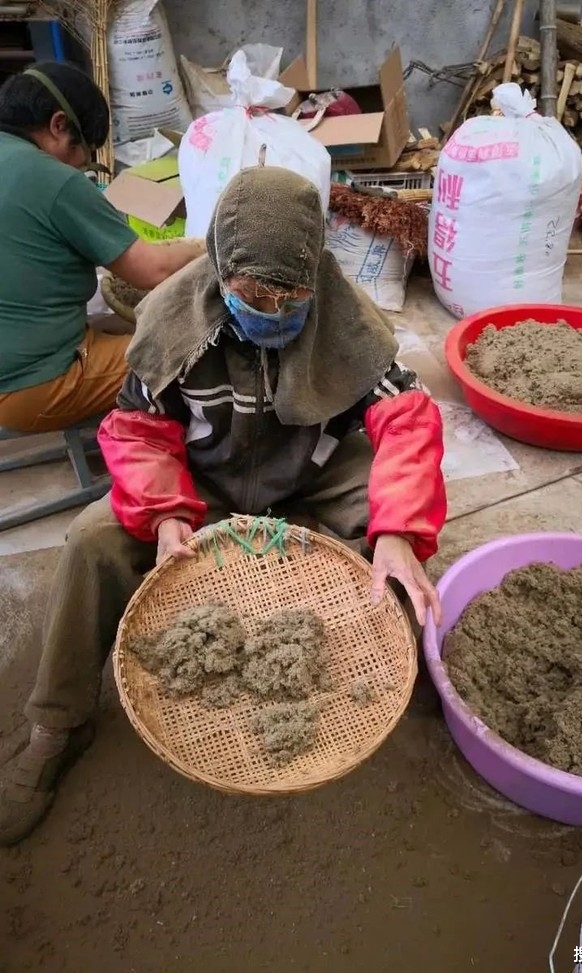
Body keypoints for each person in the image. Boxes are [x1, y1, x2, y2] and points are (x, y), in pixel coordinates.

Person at [0, 166, 448, 845]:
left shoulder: (347, 318)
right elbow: (136, 430)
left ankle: (407, 670)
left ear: (316, 276)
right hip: (206, 478)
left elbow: (408, 419)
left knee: (400, 538)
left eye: (290, 296)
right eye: (252, 295)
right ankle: (57, 722)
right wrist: (165, 511)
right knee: (91, 539)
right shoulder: (172, 318)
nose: (271, 311)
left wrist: (398, 531)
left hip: (308, 470)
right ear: (219, 268)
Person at [0, 62, 203, 433]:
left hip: (13, 362)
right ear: (59, 125)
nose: (80, 166)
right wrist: (203, 250)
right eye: (84, 152)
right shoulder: (49, 176)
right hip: (30, 384)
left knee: (120, 325)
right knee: (197, 352)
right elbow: (151, 270)